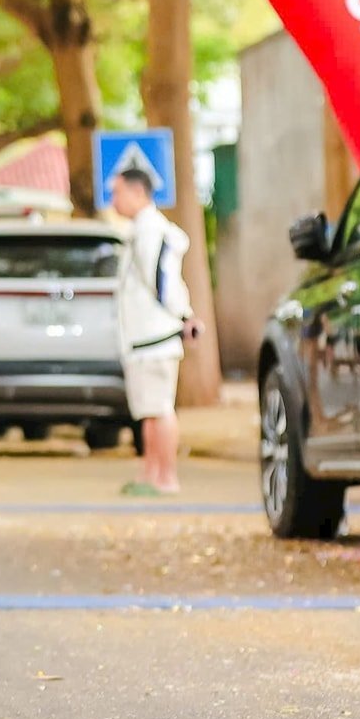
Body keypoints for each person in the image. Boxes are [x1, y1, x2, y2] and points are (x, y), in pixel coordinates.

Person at [111, 168, 195, 495]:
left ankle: (167, 476)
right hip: (140, 339)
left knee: (160, 408)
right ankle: (150, 472)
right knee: (147, 411)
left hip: (156, 337)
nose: (114, 200)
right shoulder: (139, 231)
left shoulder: (155, 232)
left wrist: (184, 316)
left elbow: (165, 283)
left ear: (137, 192)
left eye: (118, 192)